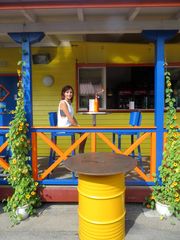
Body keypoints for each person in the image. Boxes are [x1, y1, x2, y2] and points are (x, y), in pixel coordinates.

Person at [58, 85, 86, 153]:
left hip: (69, 125)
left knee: (84, 131)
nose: (69, 94)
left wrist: (78, 124)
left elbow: (73, 117)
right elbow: (69, 117)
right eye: (67, 92)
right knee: (84, 132)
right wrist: (76, 126)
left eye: (71, 92)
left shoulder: (69, 103)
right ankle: (81, 152)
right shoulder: (63, 103)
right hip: (64, 126)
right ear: (63, 93)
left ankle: (80, 152)